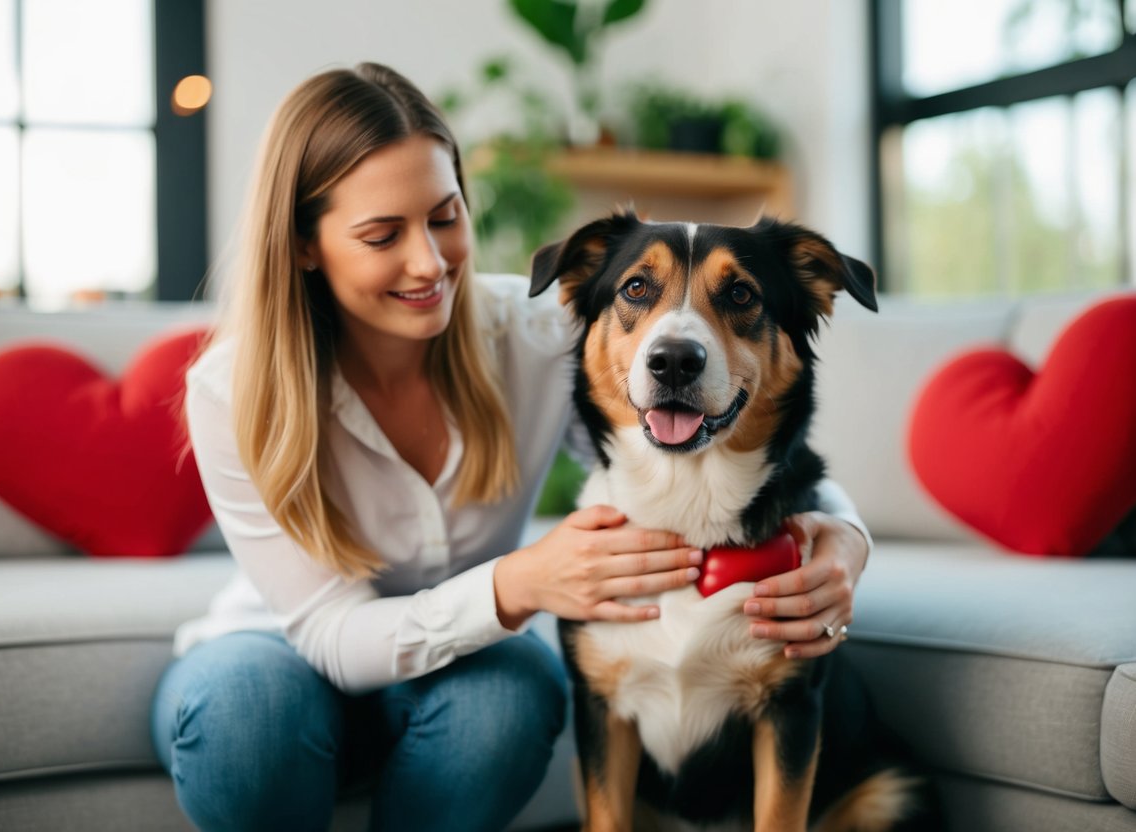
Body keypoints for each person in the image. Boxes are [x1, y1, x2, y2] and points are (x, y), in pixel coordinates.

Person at [149, 61, 872, 832]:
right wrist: (517, 582)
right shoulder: (231, 388)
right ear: (302, 245)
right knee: (248, 714)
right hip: (274, 660)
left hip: (451, 674)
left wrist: (845, 544)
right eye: (381, 234)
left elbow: (729, 463)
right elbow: (329, 633)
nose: (429, 263)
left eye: (444, 214)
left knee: (512, 691)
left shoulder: (537, 336)